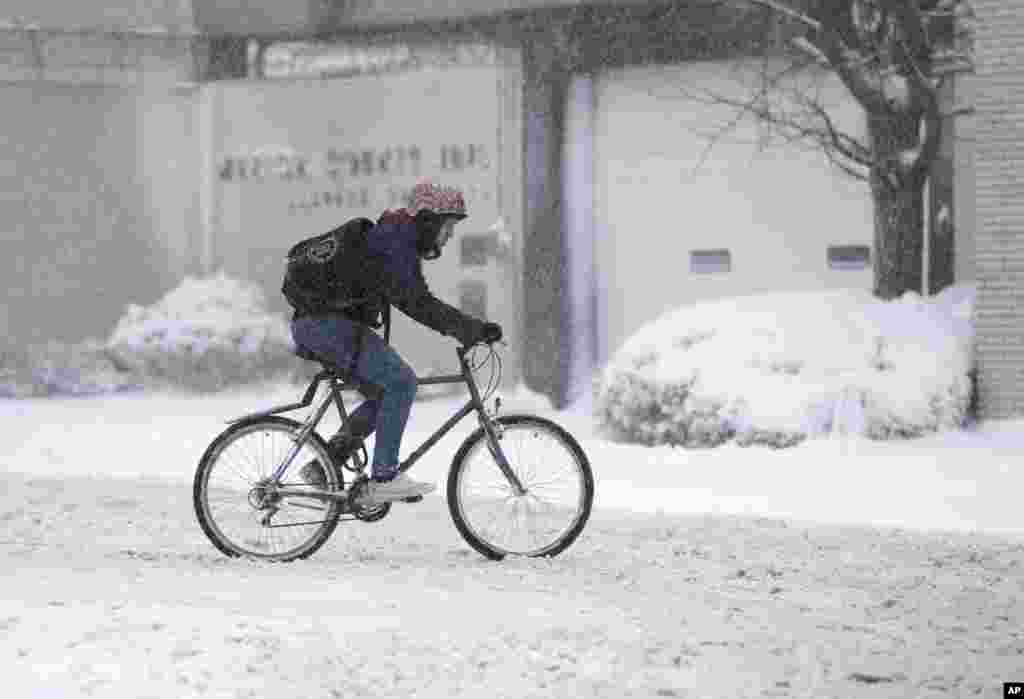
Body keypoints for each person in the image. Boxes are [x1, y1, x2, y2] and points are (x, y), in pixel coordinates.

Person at [290, 180, 502, 504]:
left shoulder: (396, 240)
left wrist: (465, 328)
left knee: (384, 391)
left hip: (322, 324)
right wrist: (470, 329)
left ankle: (325, 464)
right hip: (325, 325)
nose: (449, 236)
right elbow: (417, 303)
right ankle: (384, 477)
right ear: (429, 220)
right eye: (448, 227)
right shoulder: (395, 243)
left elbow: (416, 300)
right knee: (401, 383)